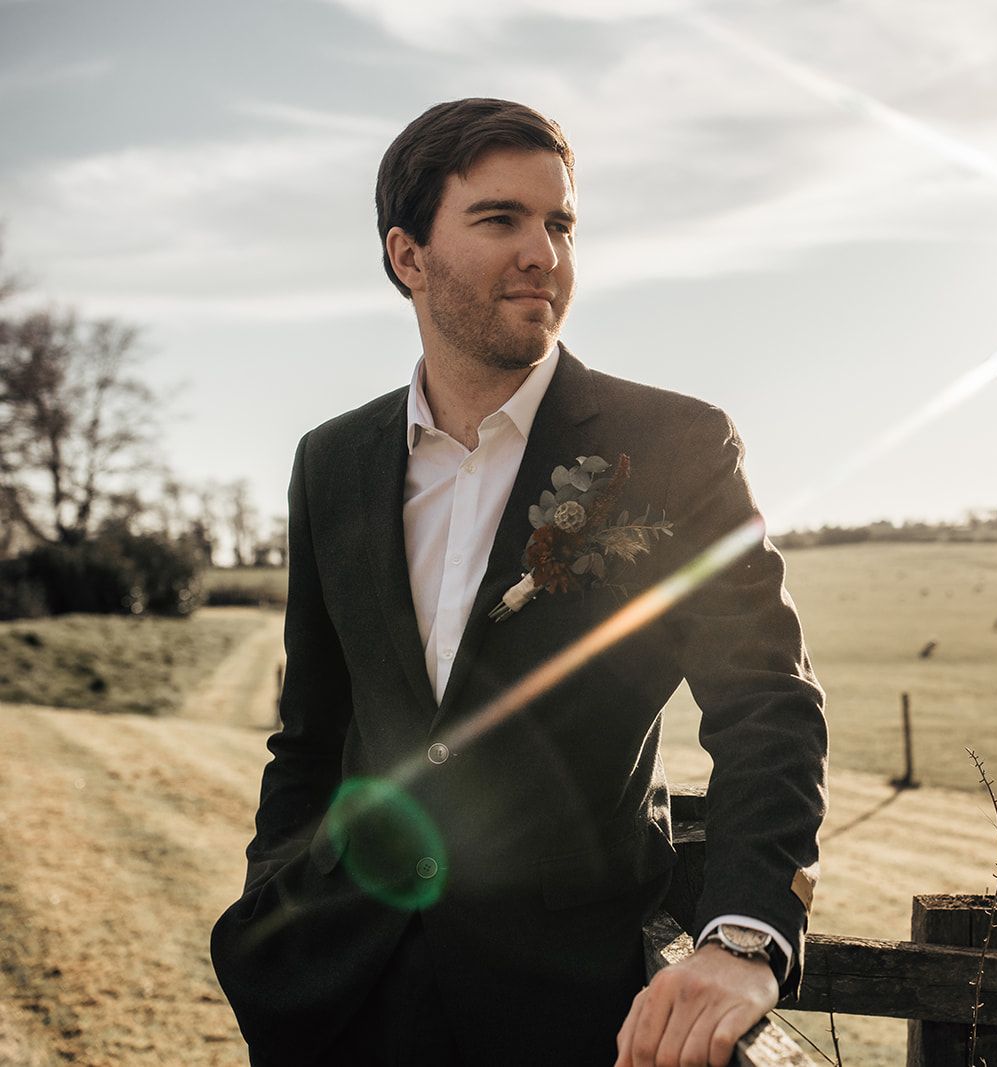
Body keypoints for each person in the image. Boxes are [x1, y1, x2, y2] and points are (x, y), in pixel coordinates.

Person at [210, 98, 828, 1067]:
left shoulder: (673, 447)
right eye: (501, 219)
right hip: (340, 998)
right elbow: (313, 733)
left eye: (560, 223)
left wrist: (744, 936)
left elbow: (767, 704)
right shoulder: (329, 461)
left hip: (571, 1007)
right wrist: (268, 919)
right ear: (407, 256)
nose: (543, 251)